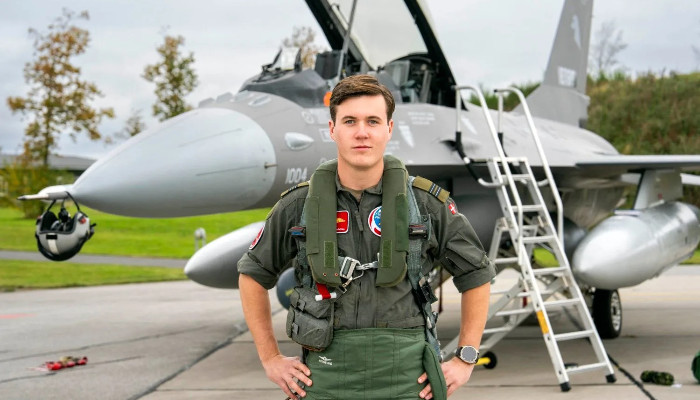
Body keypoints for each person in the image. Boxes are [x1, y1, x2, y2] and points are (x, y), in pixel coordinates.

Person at [238, 74, 495, 399]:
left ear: (389, 128)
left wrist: (465, 357)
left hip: (409, 383)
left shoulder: (425, 204)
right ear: (332, 129)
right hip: (324, 382)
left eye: (373, 121)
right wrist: (270, 359)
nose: (362, 132)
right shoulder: (298, 206)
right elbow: (252, 276)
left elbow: (476, 274)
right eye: (350, 121)